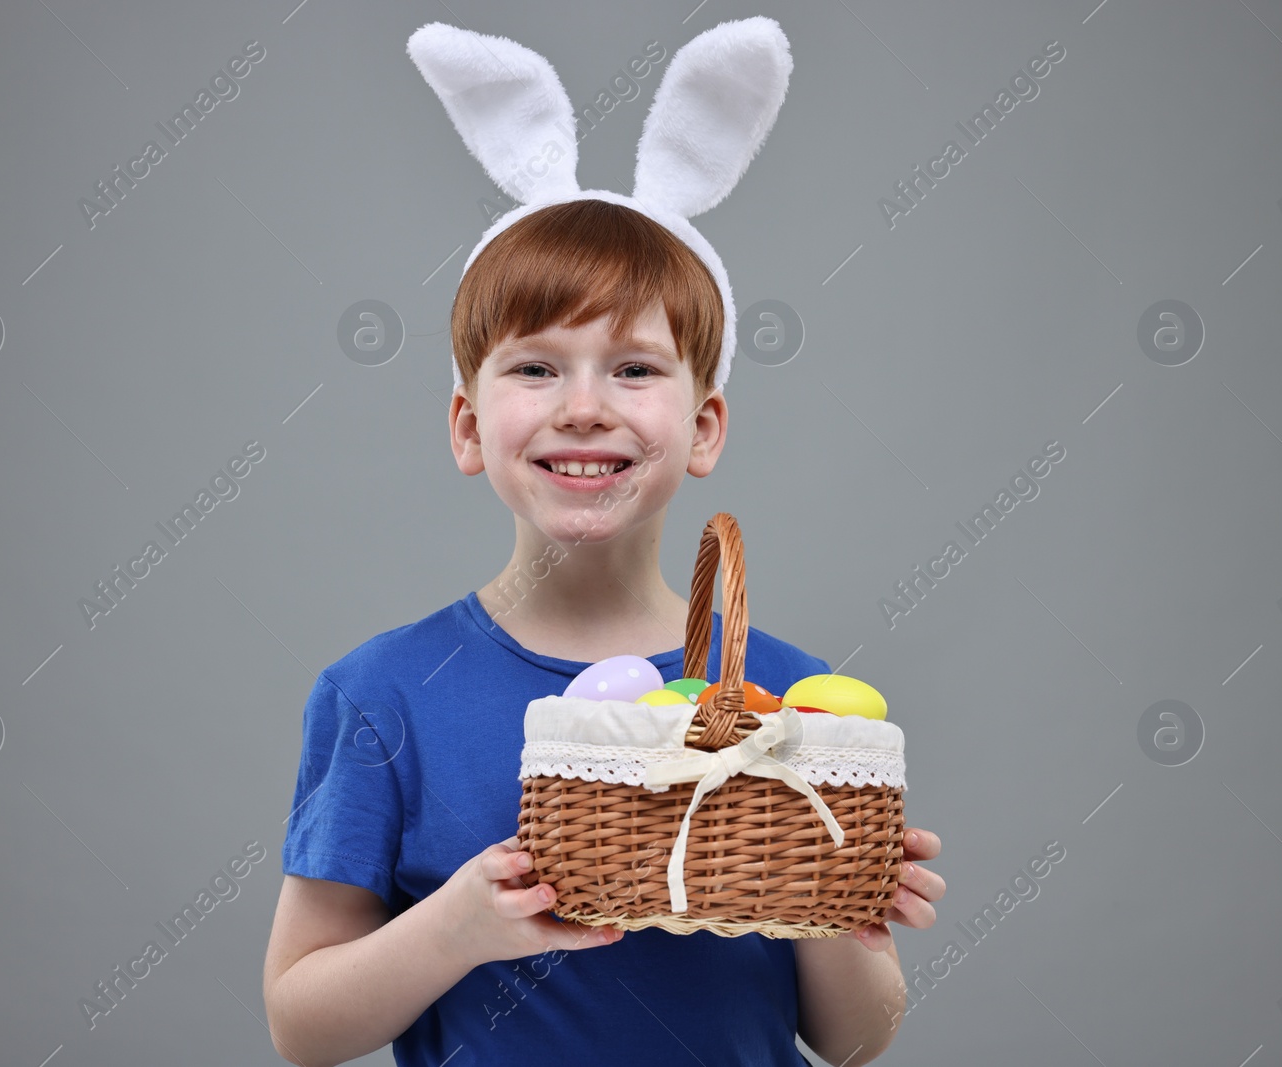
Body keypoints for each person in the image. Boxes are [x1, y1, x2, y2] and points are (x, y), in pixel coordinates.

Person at [260, 198, 946, 1067]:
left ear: (703, 428)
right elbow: (301, 1025)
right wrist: (459, 929)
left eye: (633, 369)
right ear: (469, 426)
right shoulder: (383, 694)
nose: (584, 407)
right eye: (537, 368)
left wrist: (846, 916)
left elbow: (853, 1043)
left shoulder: (788, 701)